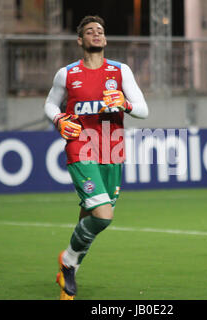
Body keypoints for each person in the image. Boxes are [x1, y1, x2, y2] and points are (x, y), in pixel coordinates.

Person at [44, 15, 149, 300]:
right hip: (81, 147)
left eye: (100, 30)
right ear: (81, 40)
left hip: (112, 148)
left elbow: (143, 109)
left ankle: (68, 273)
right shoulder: (66, 74)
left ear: (105, 39)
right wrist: (58, 120)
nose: (96, 34)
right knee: (103, 215)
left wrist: (125, 104)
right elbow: (51, 103)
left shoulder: (120, 71)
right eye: (90, 31)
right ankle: (68, 261)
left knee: (91, 213)